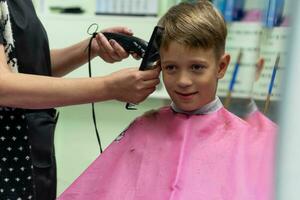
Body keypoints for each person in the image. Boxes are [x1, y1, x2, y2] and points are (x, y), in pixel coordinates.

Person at [58, 1, 269, 200]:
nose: (183, 81)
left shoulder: (250, 142)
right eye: (171, 68)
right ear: (159, 67)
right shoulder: (144, 128)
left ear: (221, 67)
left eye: (196, 67)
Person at [0, 0, 160, 200]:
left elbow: (30, 67)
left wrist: (90, 47)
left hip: (30, 154)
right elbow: (3, 86)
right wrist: (109, 87)